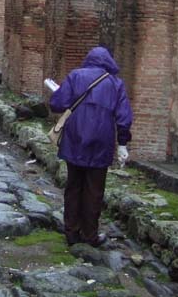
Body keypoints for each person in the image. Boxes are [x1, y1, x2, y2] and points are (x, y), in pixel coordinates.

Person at [49, 46, 132, 247]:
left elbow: (57, 104)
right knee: (95, 190)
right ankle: (90, 234)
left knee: (73, 186)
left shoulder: (75, 76)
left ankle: (71, 232)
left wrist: (58, 91)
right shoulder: (115, 83)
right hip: (101, 141)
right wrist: (122, 143)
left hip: (75, 138)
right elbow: (123, 116)